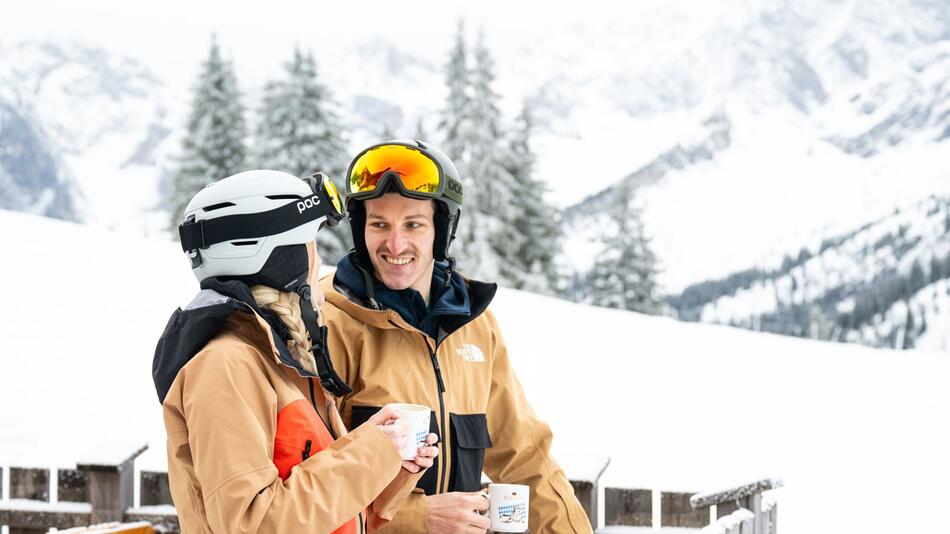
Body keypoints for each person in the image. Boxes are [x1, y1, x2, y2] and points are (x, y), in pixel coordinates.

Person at [320, 140, 593, 533]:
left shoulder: (475, 328)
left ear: (441, 230)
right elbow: (304, 486)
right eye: (379, 224)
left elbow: (525, 459)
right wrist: (418, 519)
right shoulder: (329, 325)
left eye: (413, 224)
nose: (395, 244)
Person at [152, 169, 438, 533]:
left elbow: (325, 513)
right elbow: (252, 524)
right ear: (282, 260)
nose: (318, 269)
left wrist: (391, 464)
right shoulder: (226, 367)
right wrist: (370, 452)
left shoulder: (283, 364)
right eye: (311, 251)